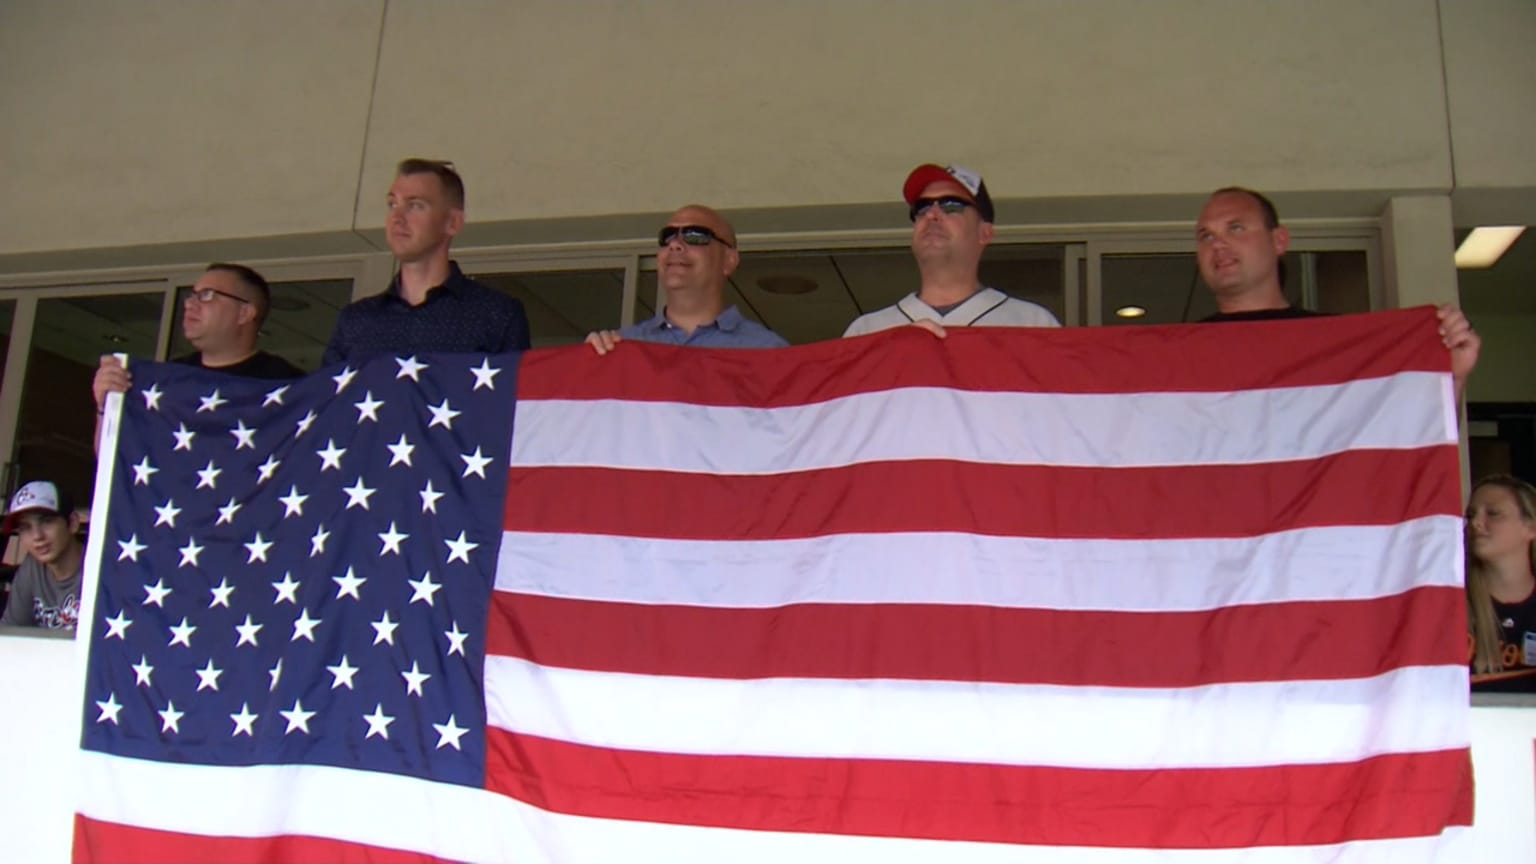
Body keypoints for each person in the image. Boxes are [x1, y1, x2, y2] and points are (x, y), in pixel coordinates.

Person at [1193, 186, 1479, 394]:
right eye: (1206, 235)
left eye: (1236, 228)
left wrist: (1451, 379)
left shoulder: (1339, 344)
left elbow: (1407, 437)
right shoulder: (1186, 353)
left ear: (1279, 241)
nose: (1217, 244)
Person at [324, 158, 530, 365]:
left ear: (452, 223)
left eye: (415, 205)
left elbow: (514, 394)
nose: (396, 217)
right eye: (392, 204)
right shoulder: (355, 320)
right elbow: (324, 395)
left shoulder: (495, 314)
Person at [91, 263, 304, 446]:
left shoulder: (288, 384)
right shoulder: (167, 381)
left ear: (244, 313)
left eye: (206, 296)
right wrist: (106, 406)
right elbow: (116, 462)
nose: (190, 304)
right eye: (192, 295)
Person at [843, 163, 1060, 338]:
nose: (932, 214)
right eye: (922, 207)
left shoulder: (1033, 325)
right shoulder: (867, 332)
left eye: (951, 206)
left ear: (985, 233)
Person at [586, 205, 786, 354]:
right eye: (668, 236)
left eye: (695, 236)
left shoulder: (766, 350)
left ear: (729, 260)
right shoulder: (621, 346)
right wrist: (587, 362)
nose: (675, 245)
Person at [1465, 474, 1536, 691]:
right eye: (1471, 515)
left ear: (1530, 528)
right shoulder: (1449, 604)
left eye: (1493, 514)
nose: (1476, 523)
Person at [0, 481, 83, 630]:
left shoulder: (103, 567)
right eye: (25, 527)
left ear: (72, 523)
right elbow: (12, 634)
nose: (37, 536)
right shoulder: (32, 566)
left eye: (47, 521)